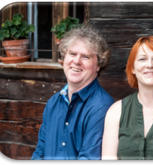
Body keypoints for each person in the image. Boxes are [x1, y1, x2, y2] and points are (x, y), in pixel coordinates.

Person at [31, 25, 115, 160]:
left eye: (85, 57)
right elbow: (40, 152)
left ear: (98, 65)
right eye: (72, 54)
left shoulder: (102, 107)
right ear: (64, 58)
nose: (76, 61)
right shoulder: (53, 103)